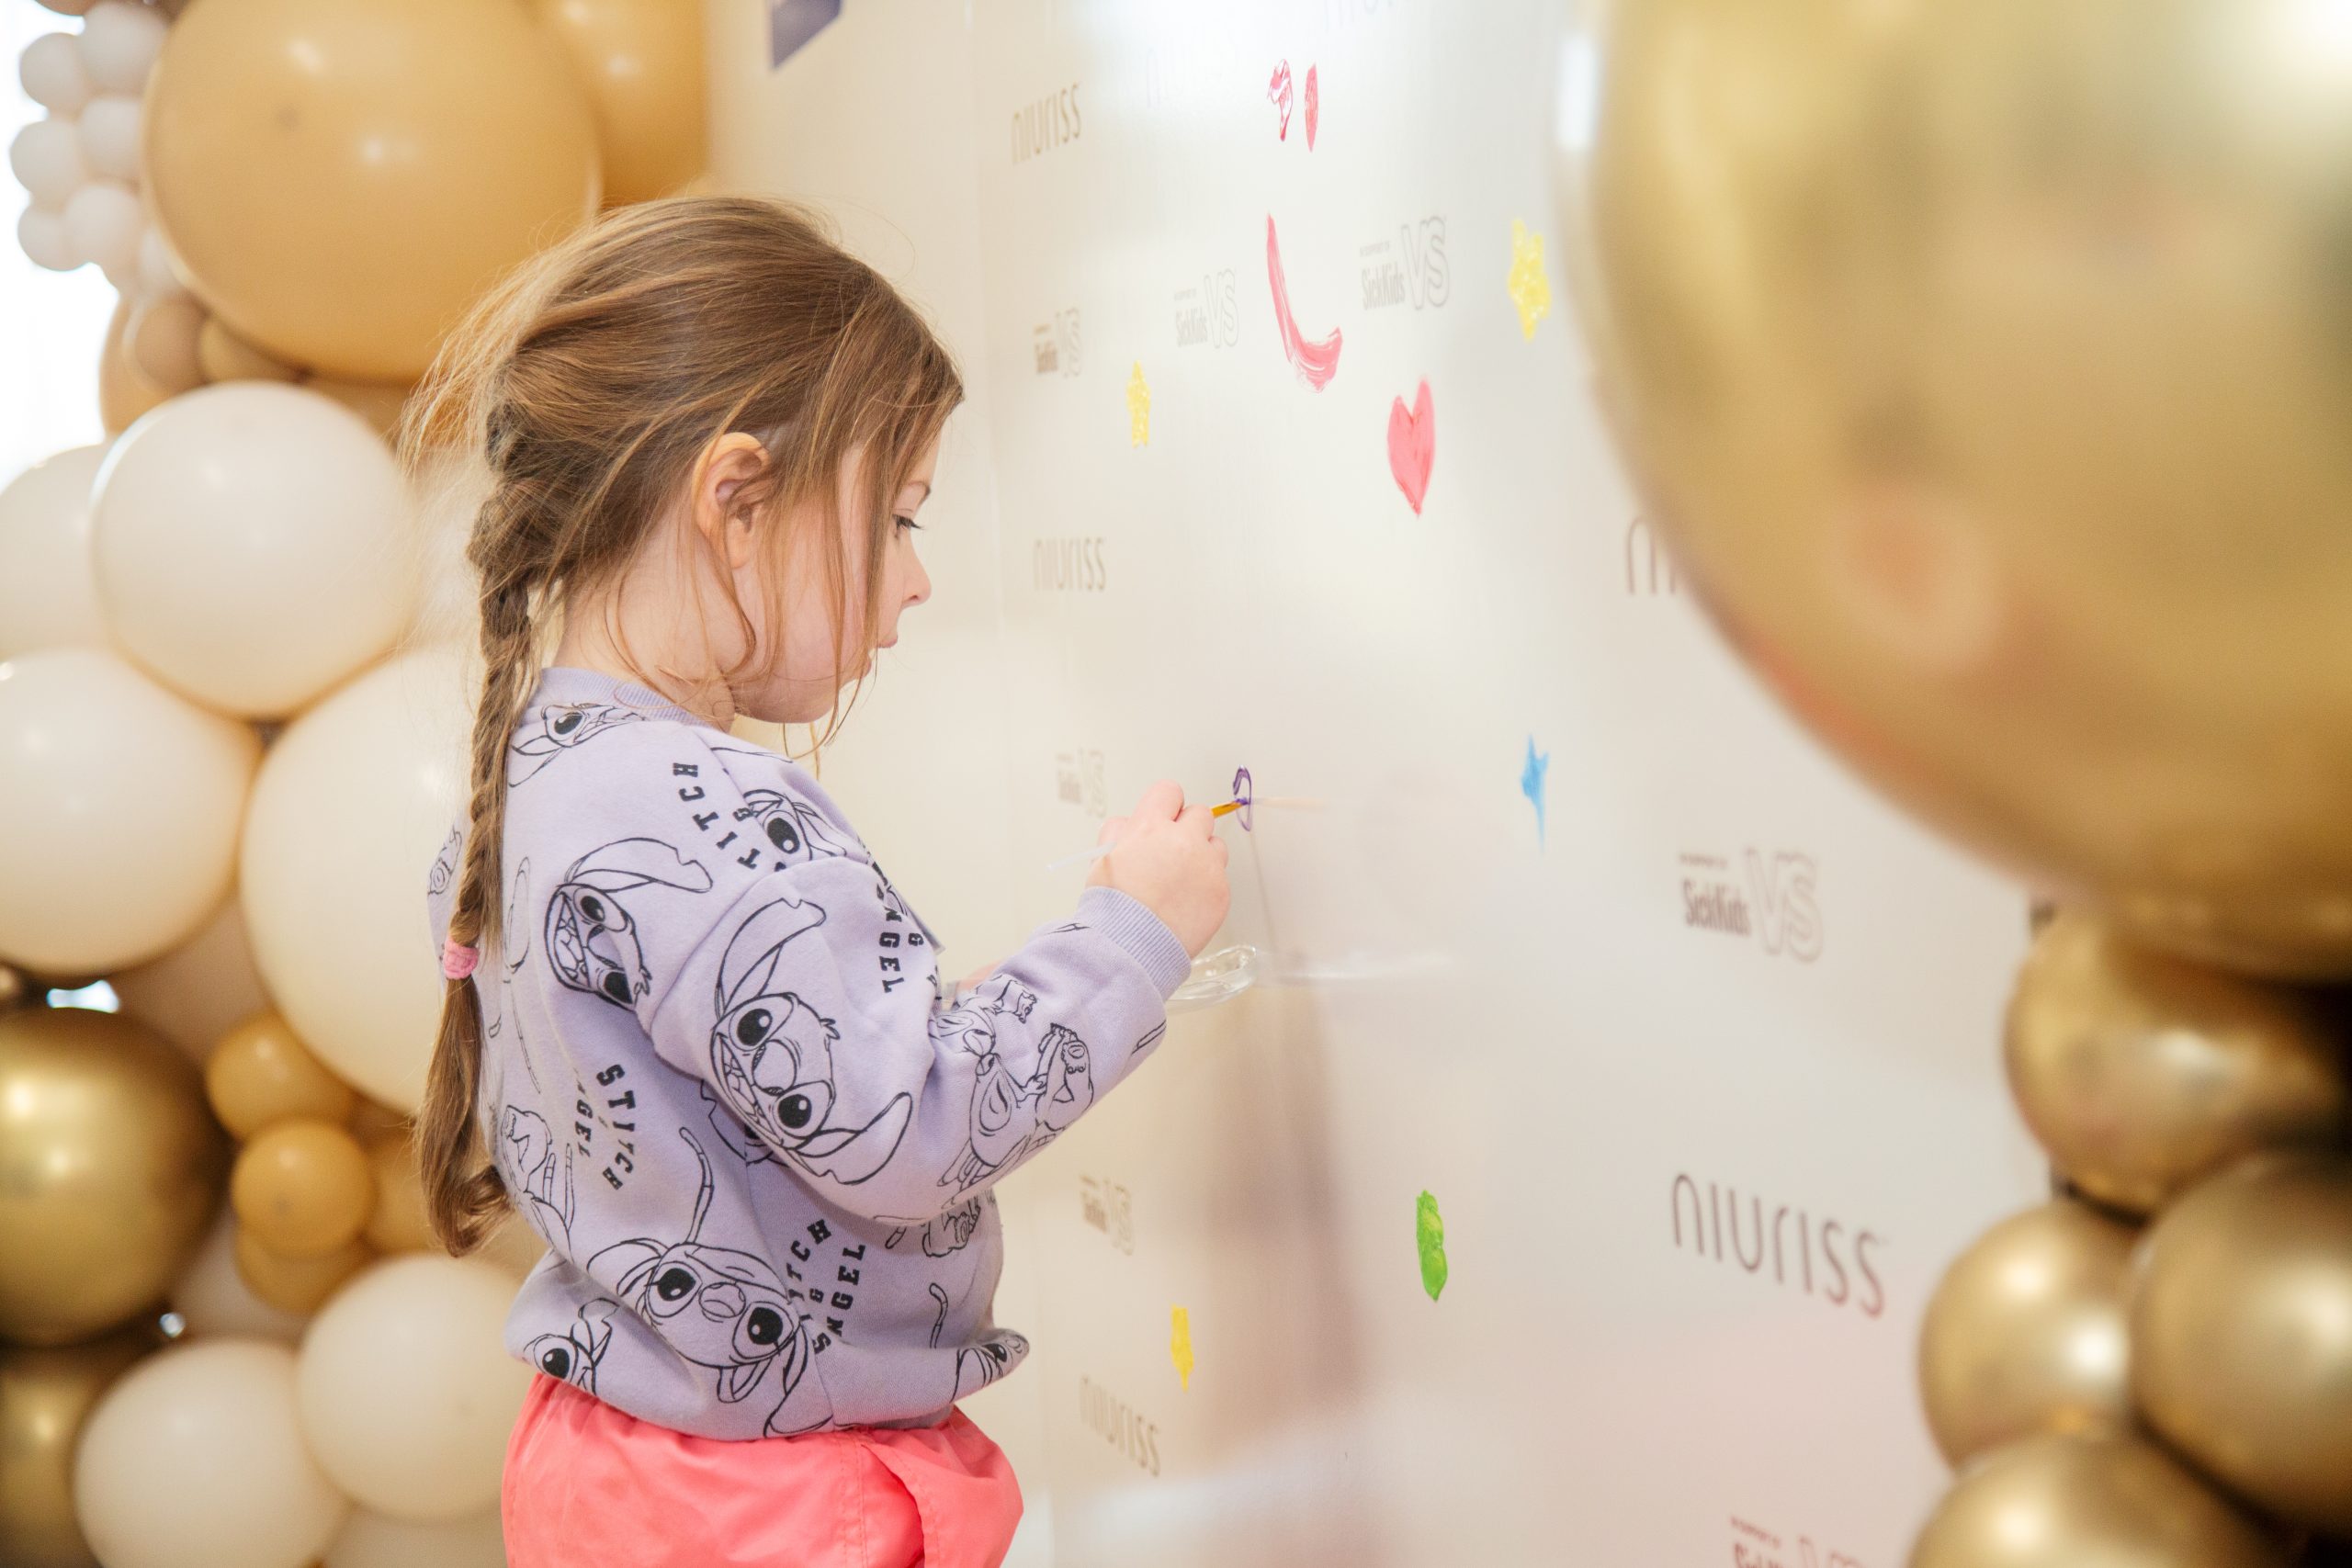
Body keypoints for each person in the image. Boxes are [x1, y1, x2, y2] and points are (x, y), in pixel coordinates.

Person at [403, 196, 1230, 1568]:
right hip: (778, 1504)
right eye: (899, 519)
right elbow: (903, 1131)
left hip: (611, 1468)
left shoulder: (537, 771)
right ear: (736, 499)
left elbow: (736, 1098)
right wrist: (1132, 935)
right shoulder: (713, 810)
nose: (914, 584)